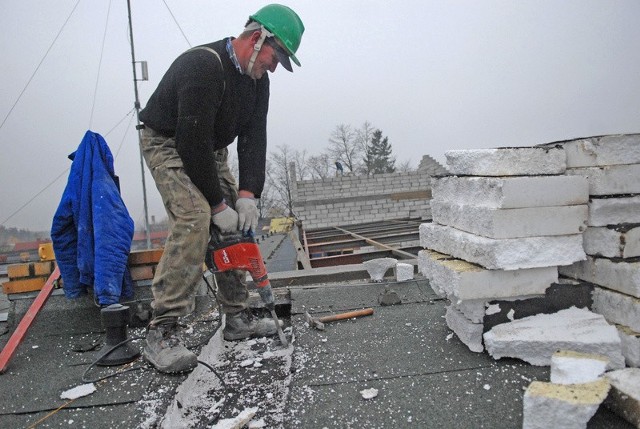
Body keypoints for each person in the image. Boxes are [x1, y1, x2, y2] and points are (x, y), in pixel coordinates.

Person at [137, 4, 304, 373]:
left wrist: (247, 195)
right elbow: (189, 141)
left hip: (209, 150)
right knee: (196, 217)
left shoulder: (258, 83)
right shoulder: (204, 66)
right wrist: (216, 205)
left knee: (238, 225)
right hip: (167, 142)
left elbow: (253, 138)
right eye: (276, 56)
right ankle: (161, 331)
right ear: (257, 38)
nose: (275, 66)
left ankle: (237, 317)